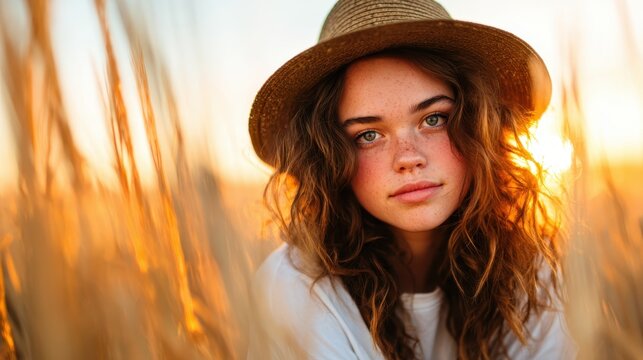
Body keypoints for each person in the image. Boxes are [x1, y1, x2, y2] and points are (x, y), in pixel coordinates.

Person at [247, 0, 575, 359]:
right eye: (368, 135)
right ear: (330, 157)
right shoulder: (297, 289)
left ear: (479, 125)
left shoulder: (530, 272)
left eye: (434, 119)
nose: (408, 158)